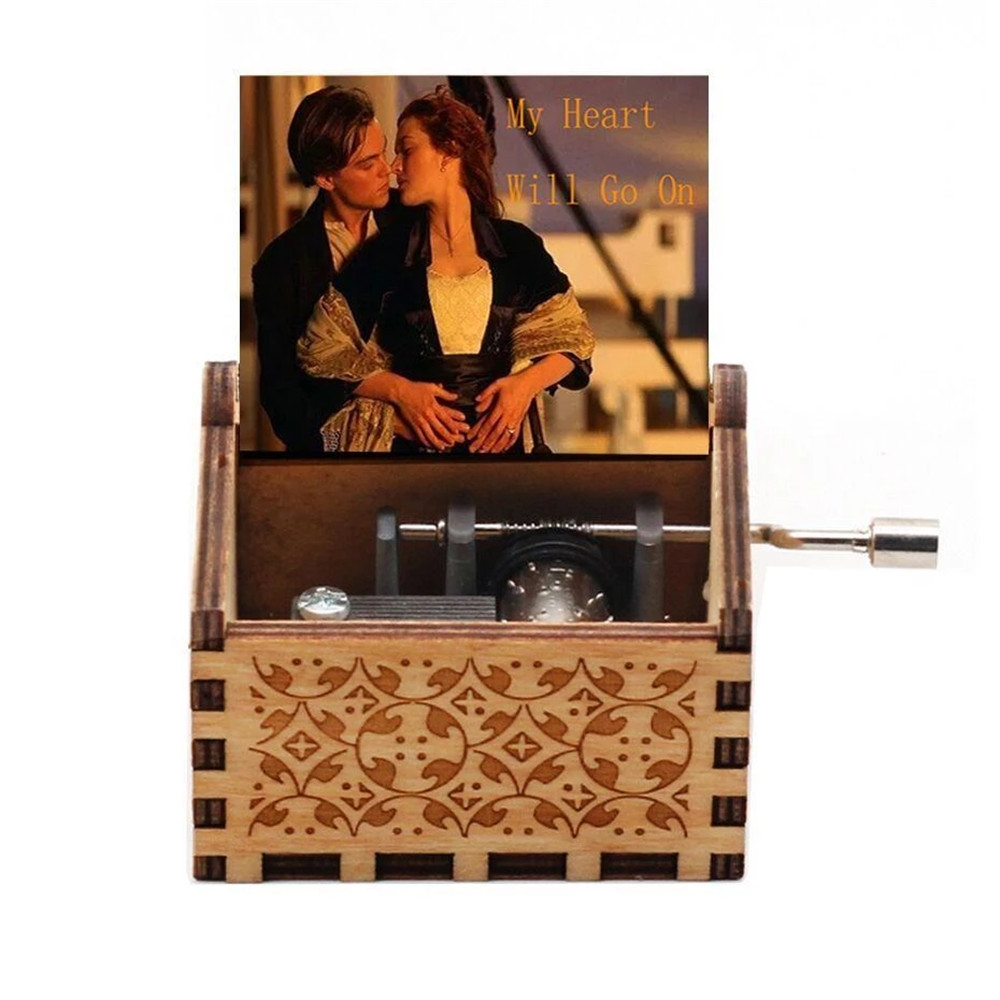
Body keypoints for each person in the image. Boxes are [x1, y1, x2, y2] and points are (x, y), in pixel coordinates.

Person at [297, 87, 595, 454]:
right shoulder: (384, 255)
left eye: (406, 150)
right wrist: (400, 393)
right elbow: (320, 351)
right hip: (412, 461)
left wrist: (524, 386)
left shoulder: (517, 245)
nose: (395, 166)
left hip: (506, 460)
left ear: (450, 150)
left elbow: (575, 341)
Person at [251, 85, 400, 452]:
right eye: (367, 163)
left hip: (435, 445)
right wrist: (345, 440)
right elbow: (282, 398)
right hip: (342, 462)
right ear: (325, 178)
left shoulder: (414, 220)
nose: (386, 170)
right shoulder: (282, 264)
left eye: (382, 152)